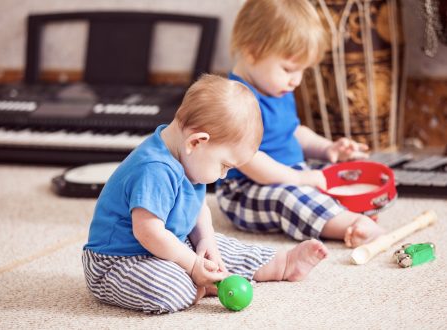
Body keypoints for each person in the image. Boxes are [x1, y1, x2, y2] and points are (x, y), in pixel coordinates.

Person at [82, 74, 328, 314]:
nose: (223, 176)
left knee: (222, 248)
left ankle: (282, 264)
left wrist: (206, 241)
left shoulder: (188, 158)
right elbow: (148, 232)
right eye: (224, 166)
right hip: (119, 261)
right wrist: (191, 265)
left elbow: (197, 207)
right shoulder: (154, 169)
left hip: (168, 243)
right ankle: (197, 283)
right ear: (197, 142)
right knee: (171, 288)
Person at [216, 0, 384, 249]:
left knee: (330, 173)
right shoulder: (236, 100)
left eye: (302, 70)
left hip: (287, 170)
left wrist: (328, 148)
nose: (296, 80)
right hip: (244, 189)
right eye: (288, 69)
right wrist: (299, 178)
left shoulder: (278, 89)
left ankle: (337, 207)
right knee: (289, 197)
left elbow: (293, 131)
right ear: (252, 51)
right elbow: (250, 161)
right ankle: (347, 224)